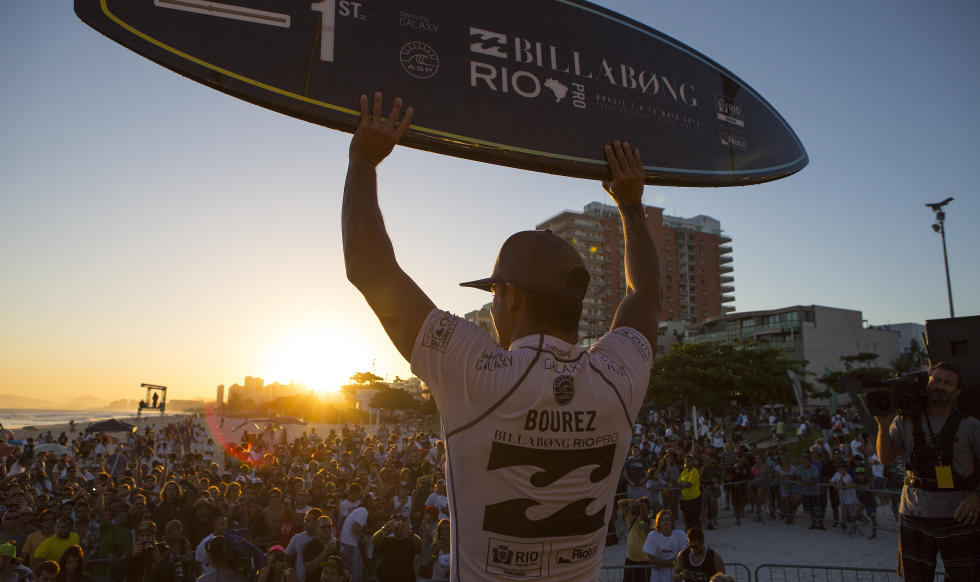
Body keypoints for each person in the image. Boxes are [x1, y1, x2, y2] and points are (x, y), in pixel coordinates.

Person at [342, 92, 658, 581]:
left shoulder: (478, 374)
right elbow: (647, 296)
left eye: (493, 293)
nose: (491, 308)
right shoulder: (617, 378)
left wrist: (363, 160)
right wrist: (633, 206)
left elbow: (368, 266)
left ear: (510, 296)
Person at [875, 362, 980, 582]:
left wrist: (976, 496)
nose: (940, 386)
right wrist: (883, 426)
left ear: (957, 392)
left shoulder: (971, 426)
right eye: (936, 380)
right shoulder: (904, 420)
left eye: (947, 383)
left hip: (959, 515)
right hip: (914, 512)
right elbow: (885, 458)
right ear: (927, 384)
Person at [371, 514, 421, 582]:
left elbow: (420, 545)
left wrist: (409, 532)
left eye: (401, 525)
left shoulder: (409, 542)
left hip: (406, 577)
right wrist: (384, 528)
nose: (398, 528)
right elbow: (374, 540)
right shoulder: (386, 541)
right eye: (396, 524)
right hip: (387, 576)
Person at [641, 510, 685, 582]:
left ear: (671, 521)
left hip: (676, 578)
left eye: (667, 519)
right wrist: (673, 563)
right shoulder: (652, 535)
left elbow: (683, 558)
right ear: (658, 523)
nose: (665, 522)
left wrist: (661, 563)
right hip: (658, 578)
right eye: (662, 520)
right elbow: (652, 561)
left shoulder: (681, 535)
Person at [616, 497, 652, 582]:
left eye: (643, 508)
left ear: (648, 510)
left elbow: (655, 533)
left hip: (646, 562)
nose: (641, 510)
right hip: (630, 560)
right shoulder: (632, 520)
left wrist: (645, 526)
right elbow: (620, 503)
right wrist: (631, 501)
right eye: (639, 508)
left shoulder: (653, 522)